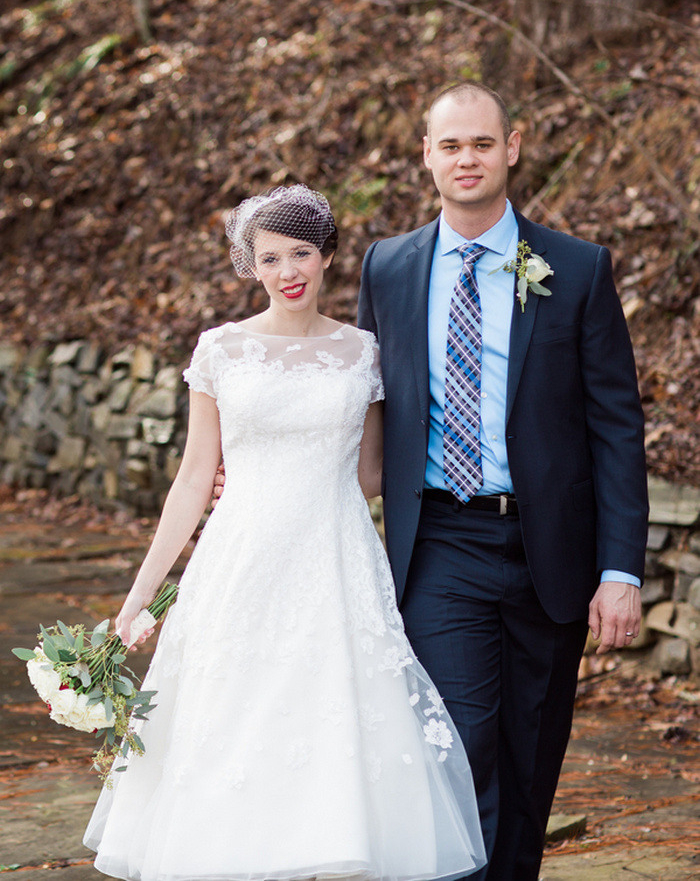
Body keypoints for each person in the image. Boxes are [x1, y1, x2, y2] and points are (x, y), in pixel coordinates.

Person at [83, 184, 486, 881]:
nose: (287, 270)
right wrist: (139, 596)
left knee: (335, 731)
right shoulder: (221, 351)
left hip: (336, 564)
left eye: (302, 252)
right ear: (251, 266)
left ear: (328, 255)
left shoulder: (364, 354)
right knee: (234, 731)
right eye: (269, 258)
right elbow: (192, 478)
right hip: (240, 562)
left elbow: (370, 473)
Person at [356, 80, 649, 881]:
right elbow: (356, 403)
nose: (467, 159)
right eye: (450, 145)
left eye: (482, 143)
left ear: (511, 148)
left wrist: (620, 570)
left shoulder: (578, 269)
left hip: (549, 548)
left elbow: (616, 428)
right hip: (440, 541)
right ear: (427, 156)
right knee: (458, 743)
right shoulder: (388, 268)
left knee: (529, 761)